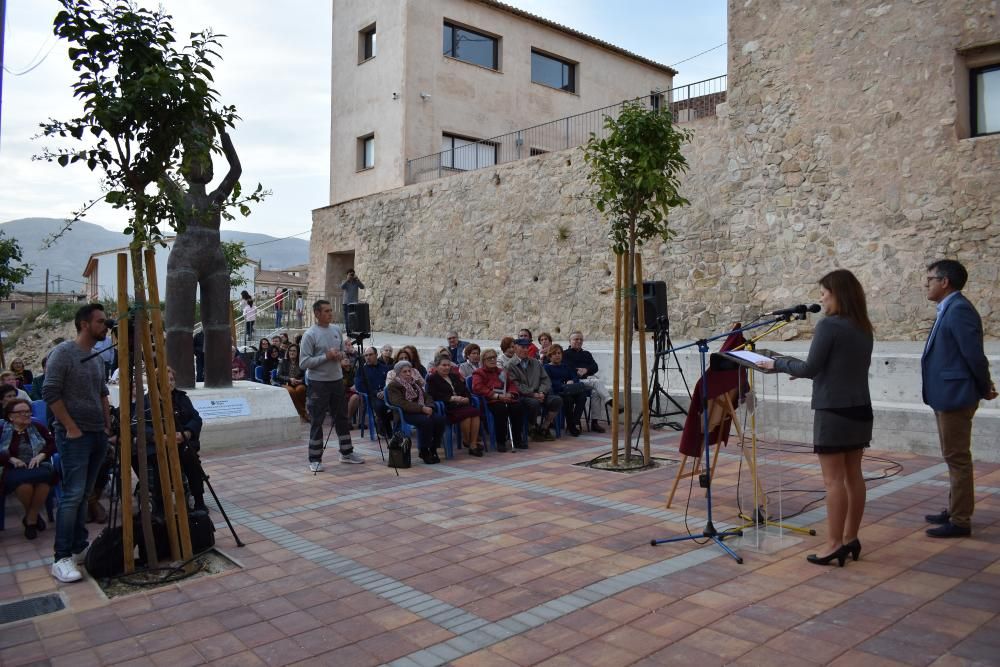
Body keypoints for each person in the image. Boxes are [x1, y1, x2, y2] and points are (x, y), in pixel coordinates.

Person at [757, 269, 874, 567]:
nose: (821, 298)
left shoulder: (829, 326)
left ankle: (833, 544)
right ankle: (850, 538)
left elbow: (810, 368)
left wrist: (777, 363)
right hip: (860, 409)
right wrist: (805, 369)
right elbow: (837, 366)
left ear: (838, 294)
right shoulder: (862, 326)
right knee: (854, 476)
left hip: (833, 411)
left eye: (824, 292)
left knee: (833, 481)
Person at [920, 260, 997, 538]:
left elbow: (973, 354)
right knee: (952, 456)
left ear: (945, 282)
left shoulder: (959, 310)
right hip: (946, 394)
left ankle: (961, 519)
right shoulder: (949, 308)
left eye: (929, 279)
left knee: (958, 458)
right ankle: (955, 508)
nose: (925, 284)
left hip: (955, 396)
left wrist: (984, 385)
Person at [42, 303, 112, 583]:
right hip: (74, 436)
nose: (105, 326)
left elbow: (103, 392)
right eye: (101, 322)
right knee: (72, 494)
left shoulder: (96, 357)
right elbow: (50, 392)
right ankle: (61, 557)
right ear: (84, 324)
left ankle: (79, 546)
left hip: (96, 433)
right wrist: (70, 427)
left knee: (85, 494)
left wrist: (107, 425)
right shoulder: (63, 354)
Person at [300, 299, 364, 471]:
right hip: (318, 383)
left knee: (342, 417)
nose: (330, 314)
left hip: (336, 380)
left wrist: (340, 355)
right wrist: (325, 357)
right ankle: (315, 459)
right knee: (317, 420)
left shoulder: (336, 330)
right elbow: (304, 363)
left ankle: (346, 452)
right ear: (317, 314)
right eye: (326, 311)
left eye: (330, 310)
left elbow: (343, 351)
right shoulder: (310, 334)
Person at [0, 398, 58, 539]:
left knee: (44, 484)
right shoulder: (3, 430)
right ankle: (34, 517)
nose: (26, 415)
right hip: (14, 468)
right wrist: (11, 459)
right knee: (24, 486)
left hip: (38, 466)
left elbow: (52, 444)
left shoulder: (37, 427)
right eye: (21, 412)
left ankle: (30, 519)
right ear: (10, 416)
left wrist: (41, 456)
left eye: (28, 411)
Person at [385, 360, 446, 464]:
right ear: (398, 373)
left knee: (440, 419)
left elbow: (427, 396)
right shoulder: (393, 386)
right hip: (405, 413)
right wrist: (422, 409)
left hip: (421, 410)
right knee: (426, 422)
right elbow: (401, 403)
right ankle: (423, 450)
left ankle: (433, 447)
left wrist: (430, 406)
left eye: (409, 371)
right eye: (404, 372)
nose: (408, 373)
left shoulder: (415, 383)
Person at [427, 355, 483, 456]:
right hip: (447, 407)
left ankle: (472, 444)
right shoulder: (432, 379)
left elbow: (465, 390)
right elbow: (433, 395)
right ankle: (468, 442)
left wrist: (467, 398)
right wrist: (451, 398)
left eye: (448, 365)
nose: (447, 367)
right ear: (436, 366)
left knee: (475, 413)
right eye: (443, 365)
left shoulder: (454, 376)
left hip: (462, 404)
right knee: (466, 416)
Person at [507, 337, 562, 441]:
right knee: (534, 403)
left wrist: (541, 392)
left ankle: (544, 427)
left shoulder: (535, 362)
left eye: (527, 347)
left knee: (557, 400)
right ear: (515, 348)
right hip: (524, 396)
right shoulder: (510, 365)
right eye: (522, 347)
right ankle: (531, 426)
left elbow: (545, 379)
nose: (525, 350)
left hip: (540, 393)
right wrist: (532, 394)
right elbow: (515, 384)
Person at [472, 349, 526, 451]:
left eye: (494, 357)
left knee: (517, 407)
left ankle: (517, 439)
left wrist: (511, 393)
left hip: (505, 398)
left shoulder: (501, 372)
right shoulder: (478, 373)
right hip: (491, 400)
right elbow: (478, 387)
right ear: (483, 360)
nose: (493, 360)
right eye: (489, 358)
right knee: (501, 410)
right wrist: (496, 396)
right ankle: (501, 442)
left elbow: (511, 384)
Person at [563, 331, 613, 433]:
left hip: (586, 382)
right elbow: (566, 368)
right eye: (576, 339)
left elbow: (595, 367)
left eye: (581, 339)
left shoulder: (586, 354)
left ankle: (594, 422)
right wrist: (577, 371)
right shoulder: (565, 354)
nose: (579, 341)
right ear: (570, 341)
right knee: (596, 382)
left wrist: (586, 370)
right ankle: (609, 400)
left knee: (596, 392)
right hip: (573, 382)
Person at [545, 344, 589, 437]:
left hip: (569, 390)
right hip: (557, 391)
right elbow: (548, 382)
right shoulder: (546, 367)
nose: (557, 355)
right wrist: (562, 385)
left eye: (559, 353)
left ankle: (574, 421)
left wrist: (572, 380)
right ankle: (571, 425)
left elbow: (575, 376)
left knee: (582, 396)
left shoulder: (566, 366)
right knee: (568, 399)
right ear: (550, 356)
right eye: (554, 354)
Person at [355, 346, 392, 436]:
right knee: (380, 406)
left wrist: (385, 391)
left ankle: (385, 424)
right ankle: (387, 428)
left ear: (376, 355)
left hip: (387, 394)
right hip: (372, 397)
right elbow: (359, 386)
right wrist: (375, 393)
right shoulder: (361, 370)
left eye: (370, 355)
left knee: (399, 405)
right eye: (366, 355)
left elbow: (391, 382)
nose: (368, 357)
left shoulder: (385, 368)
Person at [277, 343, 309, 421]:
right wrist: (289, 379)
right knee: (291, 391)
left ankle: (300, 413)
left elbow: (307, 374)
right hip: (286, 383)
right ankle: (303, 413)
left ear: (298, 352)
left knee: (300, 389)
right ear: (288, 352)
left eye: (294, 351)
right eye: (290, 351)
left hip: (299, 383)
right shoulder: (283, 362)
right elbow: (279, 376)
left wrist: (301, 380)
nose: (292, 352)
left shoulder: (302, 362)